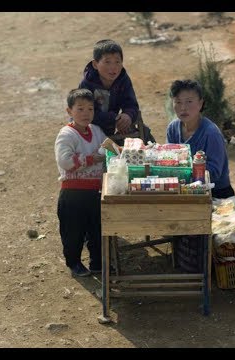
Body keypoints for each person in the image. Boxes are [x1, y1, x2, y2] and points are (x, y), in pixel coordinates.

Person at [55, 88, 107, 277]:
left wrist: (114, 150)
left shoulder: (96, 131)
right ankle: (74, 263)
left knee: (96, 229)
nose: (86, 114)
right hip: (73, 193)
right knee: (73, 232)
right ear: (69, 111)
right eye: (80, 109)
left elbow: (106, 147)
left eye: (90, 109)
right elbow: (66, 162)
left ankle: (96, 263)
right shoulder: (66, 135)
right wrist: (93, 159)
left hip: (95, 191)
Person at [166, 79, 235, 199]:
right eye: (178, 102)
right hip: (185, 190)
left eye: (189, 102)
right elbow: (169, 159)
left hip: (216, 193)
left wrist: (184, 168)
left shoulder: (211, 133)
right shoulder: (173, 128)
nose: (183, 108)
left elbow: (214, 173)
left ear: (200, 103)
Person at [78, 39, 155, 144]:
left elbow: (131, 104)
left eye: (117, 62)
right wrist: (115, 118)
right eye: (107, 62)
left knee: (144, 134)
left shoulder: (123, 80)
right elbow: (87, 113)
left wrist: (127, 116)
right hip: (89, 129)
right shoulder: (87, 84)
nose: (113, 67)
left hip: (113, 126)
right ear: (95, 64)